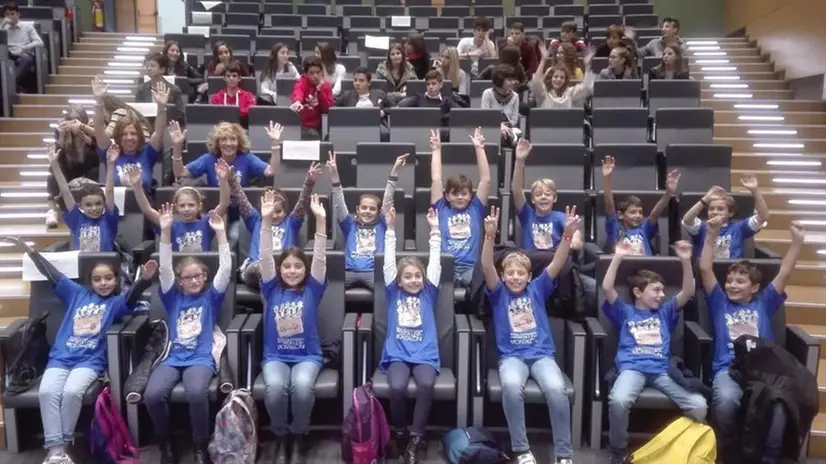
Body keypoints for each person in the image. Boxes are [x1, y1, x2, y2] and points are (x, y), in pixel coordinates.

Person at [1, 237, 155, 464]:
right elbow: (51, 273)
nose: (103, 283)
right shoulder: (76, 294)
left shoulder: (115, 304)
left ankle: (59, 449)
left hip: (90, 362)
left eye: (108, 278)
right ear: (89, 282)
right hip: (60, 359)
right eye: (97, 279)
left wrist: (144, 280)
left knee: (72, 393)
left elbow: (131, 298)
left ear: (116, 280)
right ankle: (57, 452)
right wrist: (29, 250)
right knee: (48, 392)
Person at [481, 205, 580, 464]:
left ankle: (564, 454)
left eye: (520, 273)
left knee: (557, 389)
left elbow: (558, 262)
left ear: (529, 276)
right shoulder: (498, 292)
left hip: (541, 355)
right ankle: (522, 450)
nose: (515, 277)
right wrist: (489, 237)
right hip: (511, 357)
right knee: (512, 387)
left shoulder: (537, 289)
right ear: (503, 276)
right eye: (510, 273)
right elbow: (486, 265)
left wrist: (567, 236)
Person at [700, 220, 804, 464]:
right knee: (726, 400)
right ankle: (728, 452)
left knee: (779, 402)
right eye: (730, 281)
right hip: (728, 367)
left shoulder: (764, 302)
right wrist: (711, 235)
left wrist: (797, 243)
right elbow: (705, 268)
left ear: (755, 287)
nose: (732, 285)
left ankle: (766, 457)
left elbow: (785, 272)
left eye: (740, 282)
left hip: (763, 370)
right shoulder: (719, 302)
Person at [604, 240, 707, 464]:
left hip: (662, 370)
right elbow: (607, 288)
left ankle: (674, 445)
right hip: (632, 368)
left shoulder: (666, 311)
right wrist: (618, 256)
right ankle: (618, 451)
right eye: (656, 290)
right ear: (638, 292)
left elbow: (688, 291)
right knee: (618, 400)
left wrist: (686, 261)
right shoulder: (625, 311)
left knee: (699, 406)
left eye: (663, 290)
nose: (662, 295)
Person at [144, 205, 231, 464]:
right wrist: (166, 231)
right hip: (172, 357)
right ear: (180, 280)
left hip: (200, 358)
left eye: (198, 276)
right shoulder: (172, 298)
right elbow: (165, 269)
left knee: (196, 393)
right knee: (152, 395)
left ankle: (199, 445)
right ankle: (166, 441)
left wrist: (221, 234)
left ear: (205, 277)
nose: (194, 281)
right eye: (188, 278)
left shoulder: (211, 298)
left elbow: (225, 269)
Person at [258, 190, 328, 464]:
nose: (291, 271)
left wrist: (320, 221)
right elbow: (265, 256)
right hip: (275, 356)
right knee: (275, 389)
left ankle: (298, 437)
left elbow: (320, 257)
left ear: (305, 270)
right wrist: (265, 222)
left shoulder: (313, 289)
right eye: (286, 266)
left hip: (307, 357)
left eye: (298, 267)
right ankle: (281, 438)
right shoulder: (270, 287)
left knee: (300, 388)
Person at [381, 202, 441, 464]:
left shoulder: (429, 291)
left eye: (418, 275)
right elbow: (387, 260)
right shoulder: (392, 291)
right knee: (396, 387)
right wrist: (391, 228)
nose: (414, 280)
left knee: (427, 384)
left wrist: (435, 232)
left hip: (425, 354)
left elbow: (436, 260)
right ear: (399, 280)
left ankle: (416, 438)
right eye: (408, 276)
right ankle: (401, 432)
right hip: (398, 353)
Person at [511, 139, 598, 312]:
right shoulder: (527, 215)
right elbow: (516, 190)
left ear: (555, 198)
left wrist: (576, 238)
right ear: (533, 199)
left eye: (548, 194)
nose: (543, 197)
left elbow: (575, 236)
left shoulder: (560, 217)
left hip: (557, 268)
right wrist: (520, 161)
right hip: (533, 268)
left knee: (595, 288)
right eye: (538, 194)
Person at [171, 120, 283, 247]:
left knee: (234, 236)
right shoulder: (208, 159)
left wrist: (275, 144)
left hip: (240, 215)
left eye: (233, 139)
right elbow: (180, 172)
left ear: (239, 141)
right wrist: (177, 146)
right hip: (217, 212)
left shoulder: (247, 159)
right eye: (223, 139)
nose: (228, 143)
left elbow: (272, 170)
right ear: (217, 143)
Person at [233, 163, 319, 288]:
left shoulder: (292, 223)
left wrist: (309, 183)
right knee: (263, 269)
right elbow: (241, 200)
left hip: (283, 269)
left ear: (285, 211)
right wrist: (231, 179)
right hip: (256, 268)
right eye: (270, 211)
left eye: (278, 211)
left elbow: (302, 203)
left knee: (286, 271)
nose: (273, 215)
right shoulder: (255, 220)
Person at [329, 151, 405, 291]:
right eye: (364, 208)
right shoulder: (349, 224)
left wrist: (395, 171)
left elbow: (388, 197)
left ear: (378, 211)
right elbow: (339, 200)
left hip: (373, 272)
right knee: (330, 290)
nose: (367, 211)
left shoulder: (382, 223)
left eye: (372, 209)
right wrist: (334, 174)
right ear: (357, 209)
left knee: (388, 292)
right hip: (349, 271)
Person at [430, 127, 491, 286]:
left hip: (470, 267)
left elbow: (485, 180)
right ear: (447, 196)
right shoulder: (441, 208)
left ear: (470, 196)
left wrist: (479, 148)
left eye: (464, 194)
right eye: (454, 193)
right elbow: (436, 179)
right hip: (445, 266)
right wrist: (437, 150)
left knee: (483, 288)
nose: (459, 197)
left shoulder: (475, 208)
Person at [123, 161, 229, 252]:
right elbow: (147, 210)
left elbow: (224, 204)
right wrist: (137, 186)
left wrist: (223, 180)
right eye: (182, 206)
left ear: (199, 206)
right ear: (176, 208)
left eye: (191, 205)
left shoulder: (207, 223)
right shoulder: (170, 225)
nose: (186, 209)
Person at [91, 75, 168, 192]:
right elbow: (99, 130)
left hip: (144, 206)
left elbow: (159, 130)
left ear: (140, 135)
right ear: (118, 136)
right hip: (114, 206)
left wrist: (161, 107)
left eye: (133, 133)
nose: (129, 137)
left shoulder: (148, 152)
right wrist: (99, 102)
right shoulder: (111, 152)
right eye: (124, 134)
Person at [46, 142, 117, 252]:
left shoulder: (108, 219)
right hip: (80, 264)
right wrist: (55, 164)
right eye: (88, 205)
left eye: (98, 203)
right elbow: (65, 191)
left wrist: (111, 164)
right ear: (80, 206)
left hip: (105, 264)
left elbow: (109, 191)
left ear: (104, 204)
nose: (94, 208)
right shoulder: (76, 218)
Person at [602, 155, 678, 255]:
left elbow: (654, 214)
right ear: (620, 215)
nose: (638, 215)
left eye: (640, 212)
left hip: (647, 268)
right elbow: (610, 206)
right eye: (633, 212)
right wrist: (607, 178)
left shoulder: (643, 230)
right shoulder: (616, 229)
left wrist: (669, 193)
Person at [681, 176, 769, 259]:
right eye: (711, 209)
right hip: (706, 270)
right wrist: (705, 199)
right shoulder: (702, 227)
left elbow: (763, 217)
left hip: (732, 271)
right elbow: (687, 220)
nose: (715, 212)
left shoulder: (739, 227)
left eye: (720, 209)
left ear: (730, 213)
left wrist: (755, 191)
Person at [46, 105, 99, 228]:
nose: (73, 122)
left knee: (96, 170)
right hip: (69, 171)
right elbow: (57, 157)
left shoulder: (90, 129)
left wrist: (81, 134)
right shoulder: (60, 131)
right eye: (71, 119)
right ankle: (52, 210)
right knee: (53, 172)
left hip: (87, 170)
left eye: (77, 119)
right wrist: (62, 137)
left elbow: (97, 153)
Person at [529, 43, 594, 108]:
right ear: (550, 78)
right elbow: (536, 82)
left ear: (566, 80)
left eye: (562, 77)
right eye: (555, 76)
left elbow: (586, 88)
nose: (558, 79)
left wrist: (587, 66)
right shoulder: (543, 93)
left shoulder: (571, 93)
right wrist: (543, 60)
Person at [333, 67, 390, 140]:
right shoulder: (347, 95)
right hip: (353, 125)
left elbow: (394, 108)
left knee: (384, 134)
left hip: (376, 125)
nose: (357, 83)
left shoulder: (379, 94)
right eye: (355, 80)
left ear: (369, 82)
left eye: (361, 81)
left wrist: (383, 112)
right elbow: (333, 108)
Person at [0, 1, 42, 91]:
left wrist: (23, 48)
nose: (10, 17)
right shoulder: (3, 27)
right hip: (8, 54)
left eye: (12, 14)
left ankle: (9, 86)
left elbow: (39, 42)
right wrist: (2, 25)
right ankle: (14, 87)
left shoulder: (27, 26)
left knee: (26, 60)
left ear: (18, 14)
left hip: (23, 53)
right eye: (7, 14)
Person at [290, 56, 333, 140]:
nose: (315, 76)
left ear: (322, 72)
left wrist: (320, 92)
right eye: (311, 73)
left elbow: (326, 110)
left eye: (318, 72)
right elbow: (298, 91)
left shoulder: (326, 86)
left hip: (319, 126)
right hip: (302, 125)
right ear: (306, 74)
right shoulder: (302, 82)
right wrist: (297, 101)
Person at [136, 52, 185, 123]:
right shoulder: (141, 89)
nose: (149, 68)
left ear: (162, 69)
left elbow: (181, 115)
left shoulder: (174, 90)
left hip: (167, 126)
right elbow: (137, 112)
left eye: (152, 66)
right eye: (147, 66)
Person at [480, 65, 520, 146]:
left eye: (513, 79)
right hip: (491, 128)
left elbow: (514, 120)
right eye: (509, 80)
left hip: (509, 130)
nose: (513, 82)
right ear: (500, 81)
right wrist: (500, 126)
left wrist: (505, 127)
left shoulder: (515, 96)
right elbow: (485, 117)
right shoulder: (487, 94)